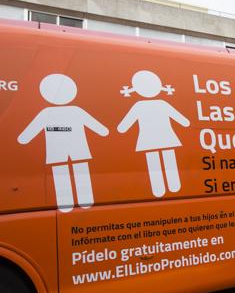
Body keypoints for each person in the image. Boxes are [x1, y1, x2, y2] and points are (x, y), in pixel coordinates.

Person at [18, 74, 109, 212]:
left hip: (57, 153)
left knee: (61, 176)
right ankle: (85, 201)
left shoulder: (46, 113)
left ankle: (65, 205)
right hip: (79, 150)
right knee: (81, 173)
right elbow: (101, 130)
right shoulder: (76, 111)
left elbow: (25, 137)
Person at [117, 70, 190, 197]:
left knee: (154, 165)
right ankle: (174, 186)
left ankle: (159, 190)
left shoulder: (138, 106)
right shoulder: (162, 104)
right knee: (169, 162)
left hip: (148, 141)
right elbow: (184, 122)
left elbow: (123, 127)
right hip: (168, 138)